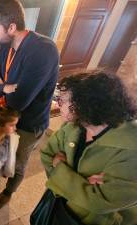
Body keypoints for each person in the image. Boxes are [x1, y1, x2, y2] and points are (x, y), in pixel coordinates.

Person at [0, 0, 59, 208]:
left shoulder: (43, 50)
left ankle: (7, 193)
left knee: (17, 163)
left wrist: (4, 87)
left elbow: (19, 101)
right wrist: (7, 87)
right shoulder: (3, 50)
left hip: (28, 123)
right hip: (4, 116)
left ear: (12, 27)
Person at [40, 71, 137, 225]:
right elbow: (47, 154)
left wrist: (59, 167)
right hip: (58, 207)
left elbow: (100, 202)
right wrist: (82, 185)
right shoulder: (73, 126)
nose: (58, 104)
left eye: (61, 100)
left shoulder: (131, 148)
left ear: (84, 105)